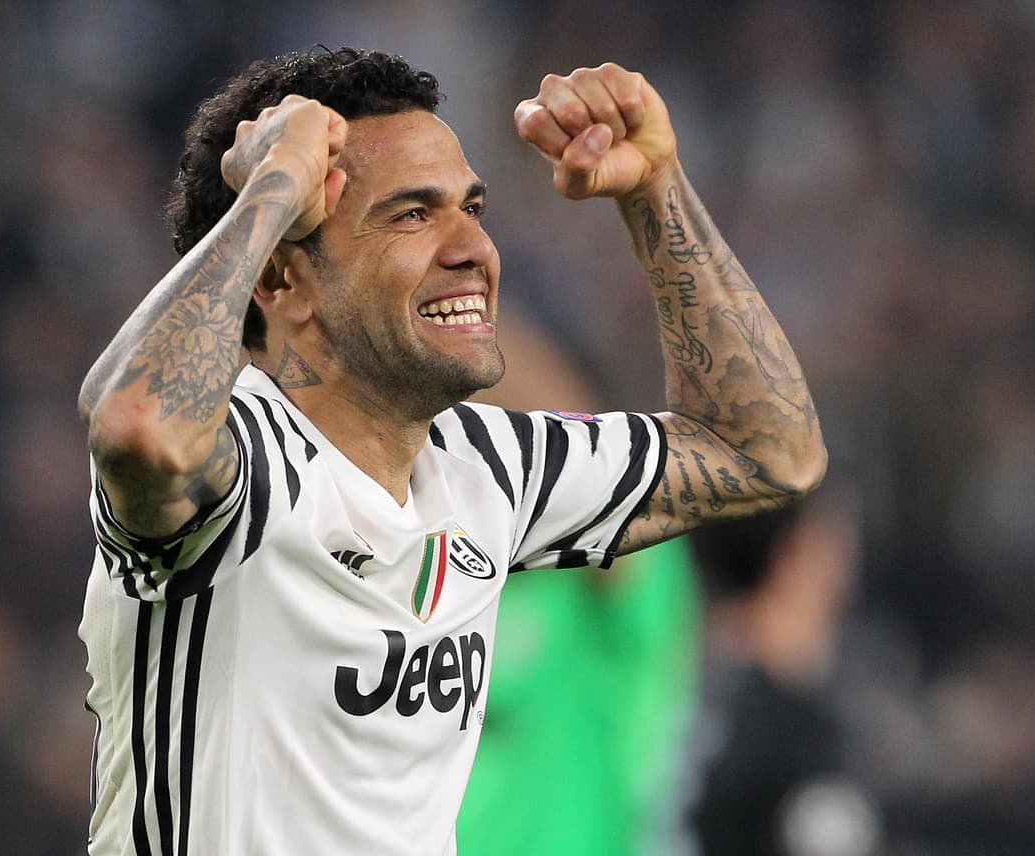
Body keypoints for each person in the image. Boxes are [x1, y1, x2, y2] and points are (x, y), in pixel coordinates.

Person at [76, 46, 825, 855]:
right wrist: (272, 190)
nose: (474, 247)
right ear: (284, 282)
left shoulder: (491, 471)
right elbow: (137, 425)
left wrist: (655, 192)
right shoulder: (245, 462)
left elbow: (763, 451)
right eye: (411, 214)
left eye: (471, 208)